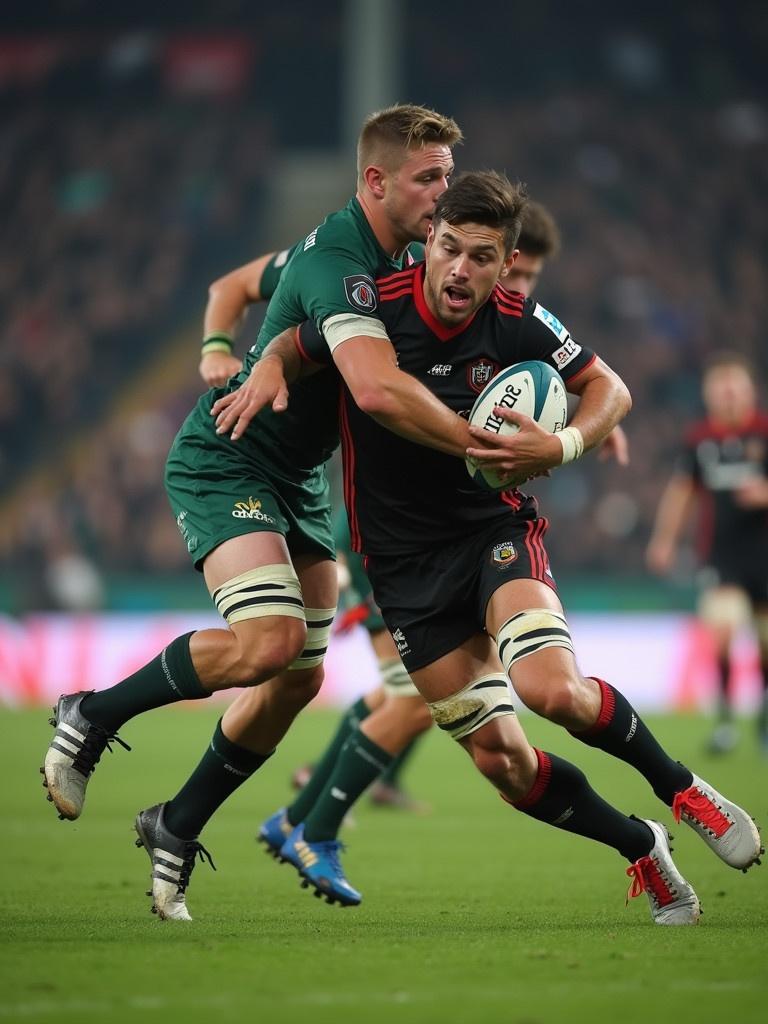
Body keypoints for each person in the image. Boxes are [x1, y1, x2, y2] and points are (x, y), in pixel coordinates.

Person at [252, 171, 761, 922]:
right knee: (507, 765)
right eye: (451, 249)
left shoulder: (521, 320)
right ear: (429, 242)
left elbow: (611, 390)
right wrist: (263, 358)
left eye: (482, 257)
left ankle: (684, 790)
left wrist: (561, 446)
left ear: (505, 262)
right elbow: (294, 343)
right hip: (400, 569)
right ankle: (641, 846)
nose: (462, 269)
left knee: (552, 690)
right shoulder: (373, 309)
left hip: (492, 535)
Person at [41, 103, 480, 921]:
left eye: (449, 178)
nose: (442, 193)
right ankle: (89, 714)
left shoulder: (396, 255)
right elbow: (379, 391)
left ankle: (174, 823)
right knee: (268, 644)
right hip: (229, 456)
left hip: (298, 478)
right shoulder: (337, 263)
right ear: (377, 181)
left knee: (297, 680)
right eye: (429, 179)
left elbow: (234, 287)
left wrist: (229, 343)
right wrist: (477, 443)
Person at [647, 351, 768, 754]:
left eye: (736, 387)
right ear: (710, 394)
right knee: (721, 635)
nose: (729, 395)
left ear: (750, 391)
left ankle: (763, 720)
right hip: (722, 557)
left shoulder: (765, 433)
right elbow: (682, 491)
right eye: (721, 388)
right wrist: (664, 540)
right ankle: (726, 724)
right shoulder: (700, 440)